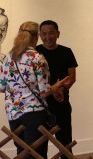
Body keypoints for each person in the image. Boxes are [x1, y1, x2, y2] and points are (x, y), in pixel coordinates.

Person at [0, 21, 69, 159]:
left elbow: (1, 88)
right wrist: (55, 86)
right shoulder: (38, 58)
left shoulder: (7, 57)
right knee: (36, 153)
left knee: (22, 152)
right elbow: (44, 92)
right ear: (36, 37)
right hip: (34, 113)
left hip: (13, 113)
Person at [36, 20, 78, 159]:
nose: (48, 37)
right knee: (40, 144)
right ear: (40, 35)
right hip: (41, 105)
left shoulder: (66, 52)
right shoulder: (36, 53)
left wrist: (61, 89)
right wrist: (52, 91)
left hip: (62, 102)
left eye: (51, 33)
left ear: (58, 34)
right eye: (44, 33)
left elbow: (72, 77)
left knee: (65, 142)